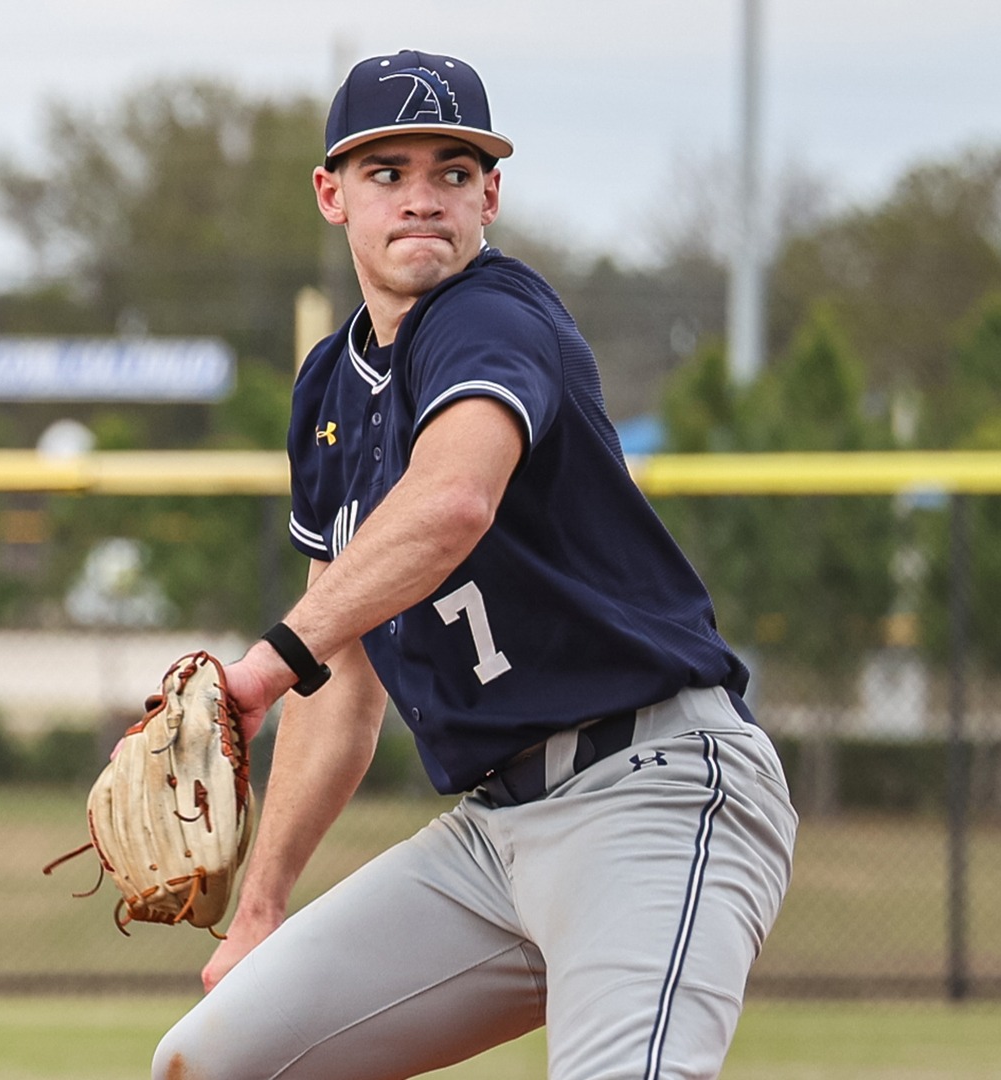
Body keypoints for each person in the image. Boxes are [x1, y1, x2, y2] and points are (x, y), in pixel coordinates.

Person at [154, 50, 796, 1080]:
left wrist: (264, 664)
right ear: (331, 194)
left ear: (489, 195)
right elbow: (343, 671)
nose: (422, 198)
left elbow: (452, 501)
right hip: (496, 838)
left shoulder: (489, 318)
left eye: (453, 172)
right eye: (387, 171)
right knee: (217, 1064)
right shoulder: (330, 386)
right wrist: (261, 904)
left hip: (653, 794)